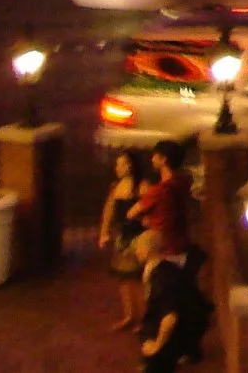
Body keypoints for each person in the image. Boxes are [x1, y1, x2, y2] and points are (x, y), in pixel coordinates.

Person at [135, 233, 210, 373]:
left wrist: (157, 345)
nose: (136, 251)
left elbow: (170, 318)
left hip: (169, 341)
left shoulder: (161, 279)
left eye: (138, 247)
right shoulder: (161, 268)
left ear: (148, 250)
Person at [100, 150, 148, 330]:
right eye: (117, 164)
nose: (117, 168)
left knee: (137, 279)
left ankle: (144, 318)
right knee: (123, 279)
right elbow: (108, 211)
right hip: (122, 238)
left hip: (138, 237)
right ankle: (129, 315)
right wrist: (104, 233)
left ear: (130, 166)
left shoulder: (142, 186)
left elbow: (148, 208)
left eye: (121, 164)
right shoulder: (116, 187)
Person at [127, 141, 192, 262]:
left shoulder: (159, 190)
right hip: (182, 243)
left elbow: (131, 213)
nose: (152, 159)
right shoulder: (184, 183)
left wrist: (145, 220)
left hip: (163, 247)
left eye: (155, 156)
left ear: (164, 160)